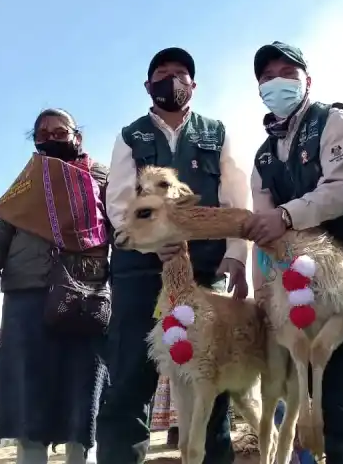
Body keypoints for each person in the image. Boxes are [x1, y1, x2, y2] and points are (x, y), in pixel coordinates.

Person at [244, 42, 343, 464]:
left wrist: (285, 215)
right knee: (326, 396)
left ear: (307, 80)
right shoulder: (262, 158)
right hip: (307, 285)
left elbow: (339, 191)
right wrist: (266, 291)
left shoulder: (335, 120)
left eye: (287, 72)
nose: (276, 82)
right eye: (266, 77)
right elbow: (263, 232)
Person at [96, 47, 250, 464]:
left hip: (203, 271)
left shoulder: (216, 132)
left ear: (194, 85)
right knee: (129, 378)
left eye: (181, 73)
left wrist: (237, 253)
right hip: (139, 273)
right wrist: (153, 239)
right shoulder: (131, 135)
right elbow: (120, 201)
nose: (172, 80)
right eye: (162, 73)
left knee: (208, 381)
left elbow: (236, 198)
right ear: (148, 86)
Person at [0, 108, 110, 464]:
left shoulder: (104, 179)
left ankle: (81, 456)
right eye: (42, 133)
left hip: (86, 295)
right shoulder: (28, 182)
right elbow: (3, 230)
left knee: (84, 384)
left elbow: (121, 227)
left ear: (78, 138)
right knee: (29, 390)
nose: (50, 137)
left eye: (59, 131)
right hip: (27, 295)